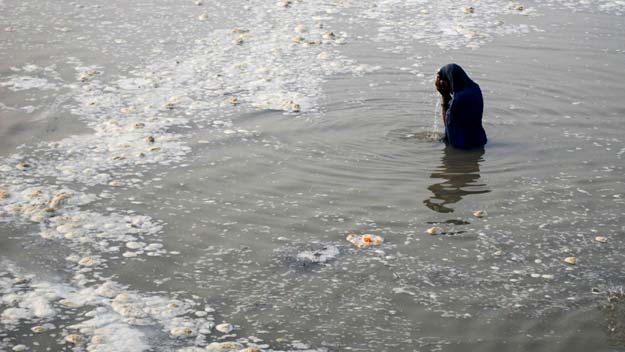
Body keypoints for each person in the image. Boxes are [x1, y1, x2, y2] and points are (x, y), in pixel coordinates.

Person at [435, 63, 487, 149]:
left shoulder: (458, 99)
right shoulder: (475, 88)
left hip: (462, 147)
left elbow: (449, 128)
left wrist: (444, 95)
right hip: (480, 141)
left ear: (449, 80)